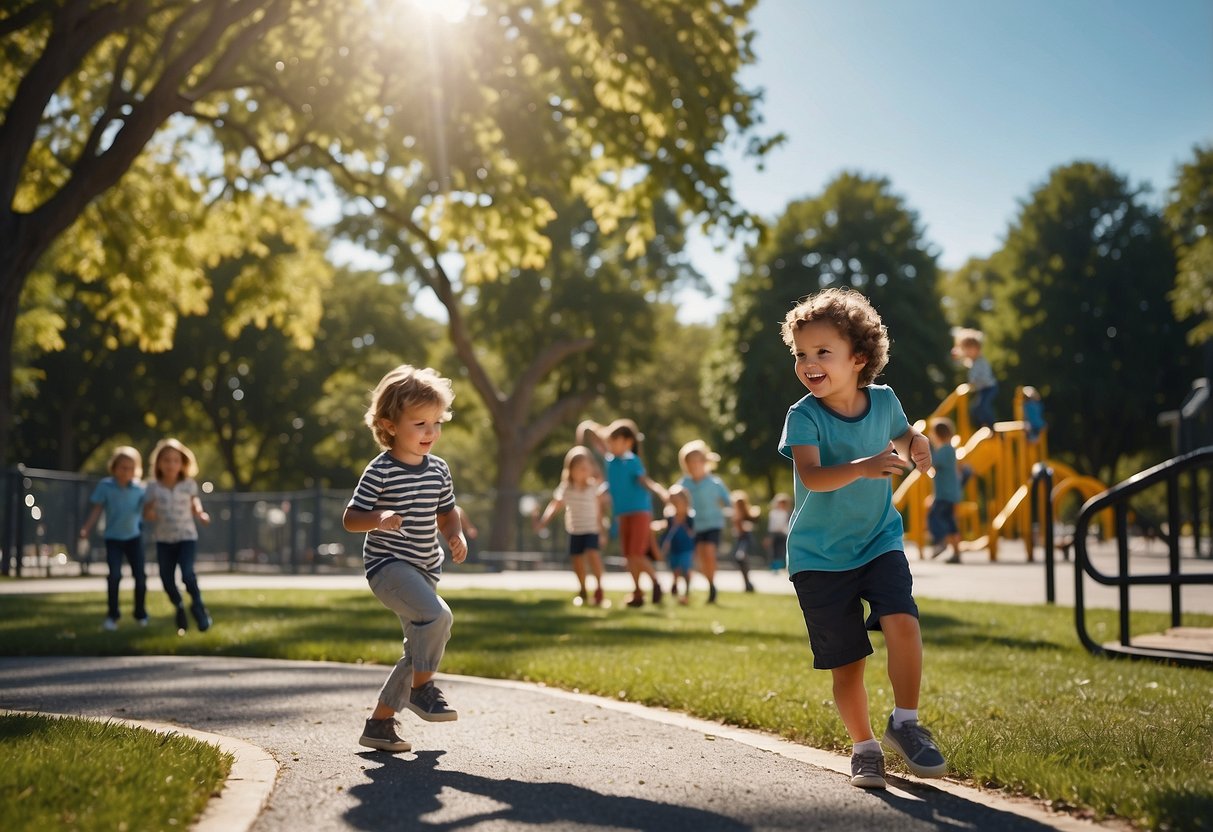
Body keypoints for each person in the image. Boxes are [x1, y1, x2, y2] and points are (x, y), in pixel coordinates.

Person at [778, 287, 948, 790]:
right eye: (801, 354)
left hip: (878, 540)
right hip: (818, 557)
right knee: (847, 663)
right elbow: (812, 476)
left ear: (858, 358)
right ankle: (865, 747)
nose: (809, 363)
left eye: (822, 352)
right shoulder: (803, 415)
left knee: (902, 620)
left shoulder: (884, 401)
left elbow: (903, 435)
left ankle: (906, 722)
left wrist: (916, 445)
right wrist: (866, 465)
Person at [344, 364, 468, 754]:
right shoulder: (379, 471)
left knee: (417, 647)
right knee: (439, 617)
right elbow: (350, 518)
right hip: (388, 566)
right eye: (420, 424)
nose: (430, 432)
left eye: (435, 423)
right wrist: (377, 519)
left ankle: (380, 723)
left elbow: (447, 511)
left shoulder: (439, 470)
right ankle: (421, 689)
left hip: (425, 567)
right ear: (390, 425)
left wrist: (454, 533)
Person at [578, 418, 667, 607]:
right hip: (622, 514)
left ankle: (656, 582)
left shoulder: (632, 461)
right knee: (629, 555)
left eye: (614, 442)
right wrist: (588, 427)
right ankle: (637, 593)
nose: (609, 445)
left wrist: (659, 491)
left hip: (639, 512)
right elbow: (598, 442)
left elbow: (644, 481)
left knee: (636, 553)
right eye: (609, 442)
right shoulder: (611, 462)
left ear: (628, 442)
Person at [144, 438, 213, 632]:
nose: (171, 464)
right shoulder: (153, 487)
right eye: (166, 460)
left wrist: (201, 513)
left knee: (188, 575)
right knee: (166, 579)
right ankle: (179, 605)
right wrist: (150, 514)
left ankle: (198, 607)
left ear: (182, 463)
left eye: (175, 460)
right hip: (164, 540)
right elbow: (147, 511)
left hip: (186, 536)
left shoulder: (188, 485)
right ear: (158, 463)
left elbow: (195, 503)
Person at [79, 446, 148, 631]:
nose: (127, 471)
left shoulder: (141, 490)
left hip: (134, 537)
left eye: (131, 468)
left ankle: (140, 614)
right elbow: (97, 510)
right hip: (113, 539)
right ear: (114, 467)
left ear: (137, 469)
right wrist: (86, 529)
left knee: (140, 577)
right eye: (123, 467)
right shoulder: (106, 486)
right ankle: (112, 615)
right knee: (114, 576)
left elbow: (149, 512)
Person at [535, 445, 609, 606]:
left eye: (585, 468)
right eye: (579, 468)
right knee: (577, 561)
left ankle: (599, 589)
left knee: (593, 555)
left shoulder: (594, 487)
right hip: (575, 530)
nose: (583, 471)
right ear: (570, 470)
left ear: (591, 468)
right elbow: (555, 505)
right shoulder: (566, 488)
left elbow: (599, 511)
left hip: (591, 529)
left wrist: (602, 531)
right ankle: (582, 590)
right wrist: (543, 522)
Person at [675, 439, 732, 603]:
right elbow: (674, 499)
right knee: (700, 558)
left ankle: (712, 586)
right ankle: (710, 583)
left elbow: (728, 501)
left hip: (713, 524)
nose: (693, 466)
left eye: (696, 461)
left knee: (709, 552)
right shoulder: (684, 483)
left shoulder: (715, 482)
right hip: (694, 526)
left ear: (704, 461)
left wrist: (732, 512)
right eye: (689, 462)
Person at [926, 419, 963, 564]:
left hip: (945, 494)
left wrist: (928, 448)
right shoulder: (949, 449)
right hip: (949, 493)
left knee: (935, 516)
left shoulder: (946, 450)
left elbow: (932, 462)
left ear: (937, 435)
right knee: (950, 523)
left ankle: (940, 541)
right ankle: (956, 553)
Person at [657, 484, 696, 604]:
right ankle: (675, 585)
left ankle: (686, 591)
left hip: (687, 548)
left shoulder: (690, 517)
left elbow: (693, 532)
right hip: (674, 548)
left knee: (685, 569)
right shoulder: (670, 518)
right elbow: (667, 533)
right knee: (675, 569)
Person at [953, 328, 998, 431]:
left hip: (989, 387)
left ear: (977, 348)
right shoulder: (972, 361)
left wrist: (973, 383)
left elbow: (983, 376)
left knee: (983, 406)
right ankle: (982, 426)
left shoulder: (981, 361)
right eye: (965, 349)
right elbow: (961, 362)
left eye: (970, 349)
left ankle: (991, 426)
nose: (967, 352)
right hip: (983, 389)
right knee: (975, 408)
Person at [729, 489, 759, 592]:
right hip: (739, 540)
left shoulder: (749, 515)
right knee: (740, 560)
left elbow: (752, 526)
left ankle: (748, 584)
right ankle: (747, 584)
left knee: (741, 557)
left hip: (746, 539)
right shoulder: (736, 516)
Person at [766, 493, 791, 572]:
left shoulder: (788, 513)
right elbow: (771, 525)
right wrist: (768, 536)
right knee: (774, 550)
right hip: (775, 533)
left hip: (783, 534)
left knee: (782, 550)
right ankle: (774, 567)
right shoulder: (773, 513)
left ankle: (782, 566)